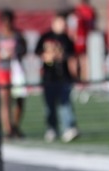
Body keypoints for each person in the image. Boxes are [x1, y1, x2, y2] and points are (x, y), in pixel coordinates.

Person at [35, 11, 79, 143]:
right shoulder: (45, 36)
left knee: (65, 103)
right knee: (50, 105)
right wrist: (46, 56)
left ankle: (68, 127)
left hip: (64, 76)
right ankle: (52, 128)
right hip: (49, 76)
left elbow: (72, 55)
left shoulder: (66, 38)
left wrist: (62, 58)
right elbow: (37, 52)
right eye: (60, 22)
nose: (62, 25)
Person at [0, 8, 28, 139]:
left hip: (16, 70)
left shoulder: (18, 34)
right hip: (3, 70)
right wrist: (3, 55)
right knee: (5, 101)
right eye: (4, 21)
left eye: (9, 21)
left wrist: (17, 52)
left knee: (20, 99)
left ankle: (15, 126)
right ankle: (8, 129)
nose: (7, 24)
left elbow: (25, 49)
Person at [72, 0, 96, 81]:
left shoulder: (80, 10)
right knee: (81, 60)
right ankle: (82, 79)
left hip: (81, 38)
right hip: (83, 38)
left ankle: (81, 80)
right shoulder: (85, 10)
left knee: (80, 60)